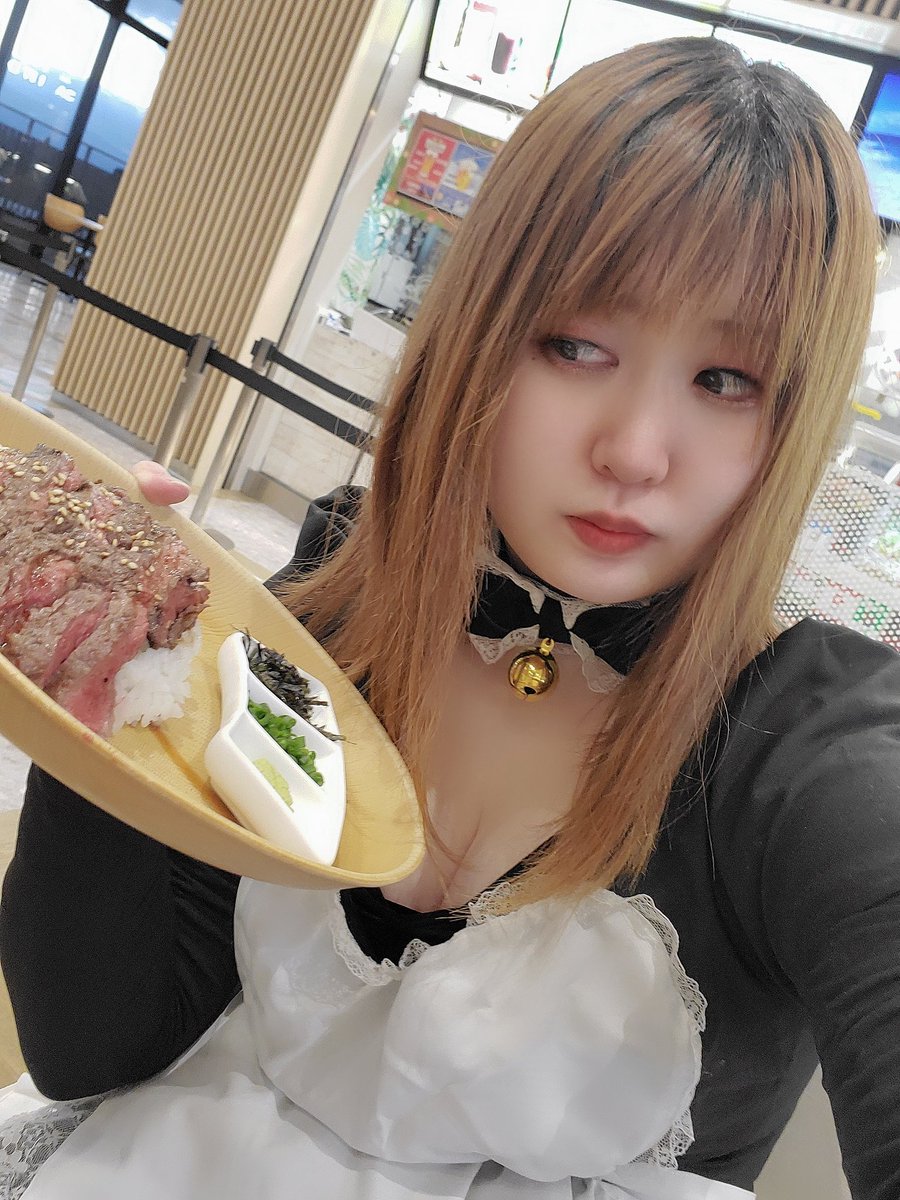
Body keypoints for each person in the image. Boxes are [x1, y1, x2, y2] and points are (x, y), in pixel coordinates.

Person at [0, 34, 895, 1199]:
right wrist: (119, 681)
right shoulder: (342, 602)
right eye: (577, 345)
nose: (634, 451)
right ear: (478, 331)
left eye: (726, 381)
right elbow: (94, 1044)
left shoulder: (805, 755)